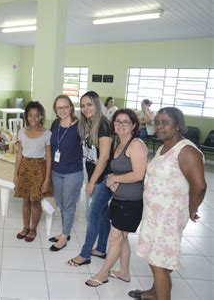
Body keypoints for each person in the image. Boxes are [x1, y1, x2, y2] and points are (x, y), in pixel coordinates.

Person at [129, 107, 206, 300]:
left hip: (168, 218)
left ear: (178, 126)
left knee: (158, 263)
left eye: (165, 122)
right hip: (155, 214)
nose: (160, 127)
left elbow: (200, 187)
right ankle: (154, 292)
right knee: (155, 258)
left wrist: (191, 209)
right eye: (157, 122)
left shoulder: (187, 151)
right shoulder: (164, 146)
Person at [85, 109, 147, 287]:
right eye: (117, 121)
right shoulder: (119, 143)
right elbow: (117, 170)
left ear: (134, 125)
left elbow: (138, 174)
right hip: (120, 199)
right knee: (122, 238)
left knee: (115, 238)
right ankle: (124, 272)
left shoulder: (136, 144)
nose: (120, 125)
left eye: (125, 122)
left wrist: (114, 178)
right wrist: (111, 179)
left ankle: (103, 274)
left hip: (131, 202)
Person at [67, 91, 112, 266]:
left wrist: (92, 182)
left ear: (97, 104)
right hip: (95, 175)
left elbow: (105, 157)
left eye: (90, 104)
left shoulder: (103, 125)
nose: (86, 108)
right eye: (83, 105)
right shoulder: (88, 123)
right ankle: (101, 248)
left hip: (103, 178)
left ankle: (85, 254)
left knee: (91, 215)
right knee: (102, 215)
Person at [48, 95, 83, 251]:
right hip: (56, 171)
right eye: (58, 107)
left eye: (65, 107)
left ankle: (64, 236)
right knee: (61, 204)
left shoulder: (79, 126)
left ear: (71, 108)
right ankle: (65, 232)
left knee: (68, 205)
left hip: (72, 173)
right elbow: (49, 144)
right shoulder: (55, 124)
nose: (62, 110)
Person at [14, 101, 52, 242]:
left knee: (35, 201)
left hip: (39, 169)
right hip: (24, 167)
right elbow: (19, 154)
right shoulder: (22, 132)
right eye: (30, 115)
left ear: (41, 116)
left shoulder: (47, 134)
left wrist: (47, 179)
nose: (33, 119)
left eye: (37, 116)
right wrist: (15, 175)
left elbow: (48, 157)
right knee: (25, 200)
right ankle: (25, 227)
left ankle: (33, 229)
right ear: (27, 116)